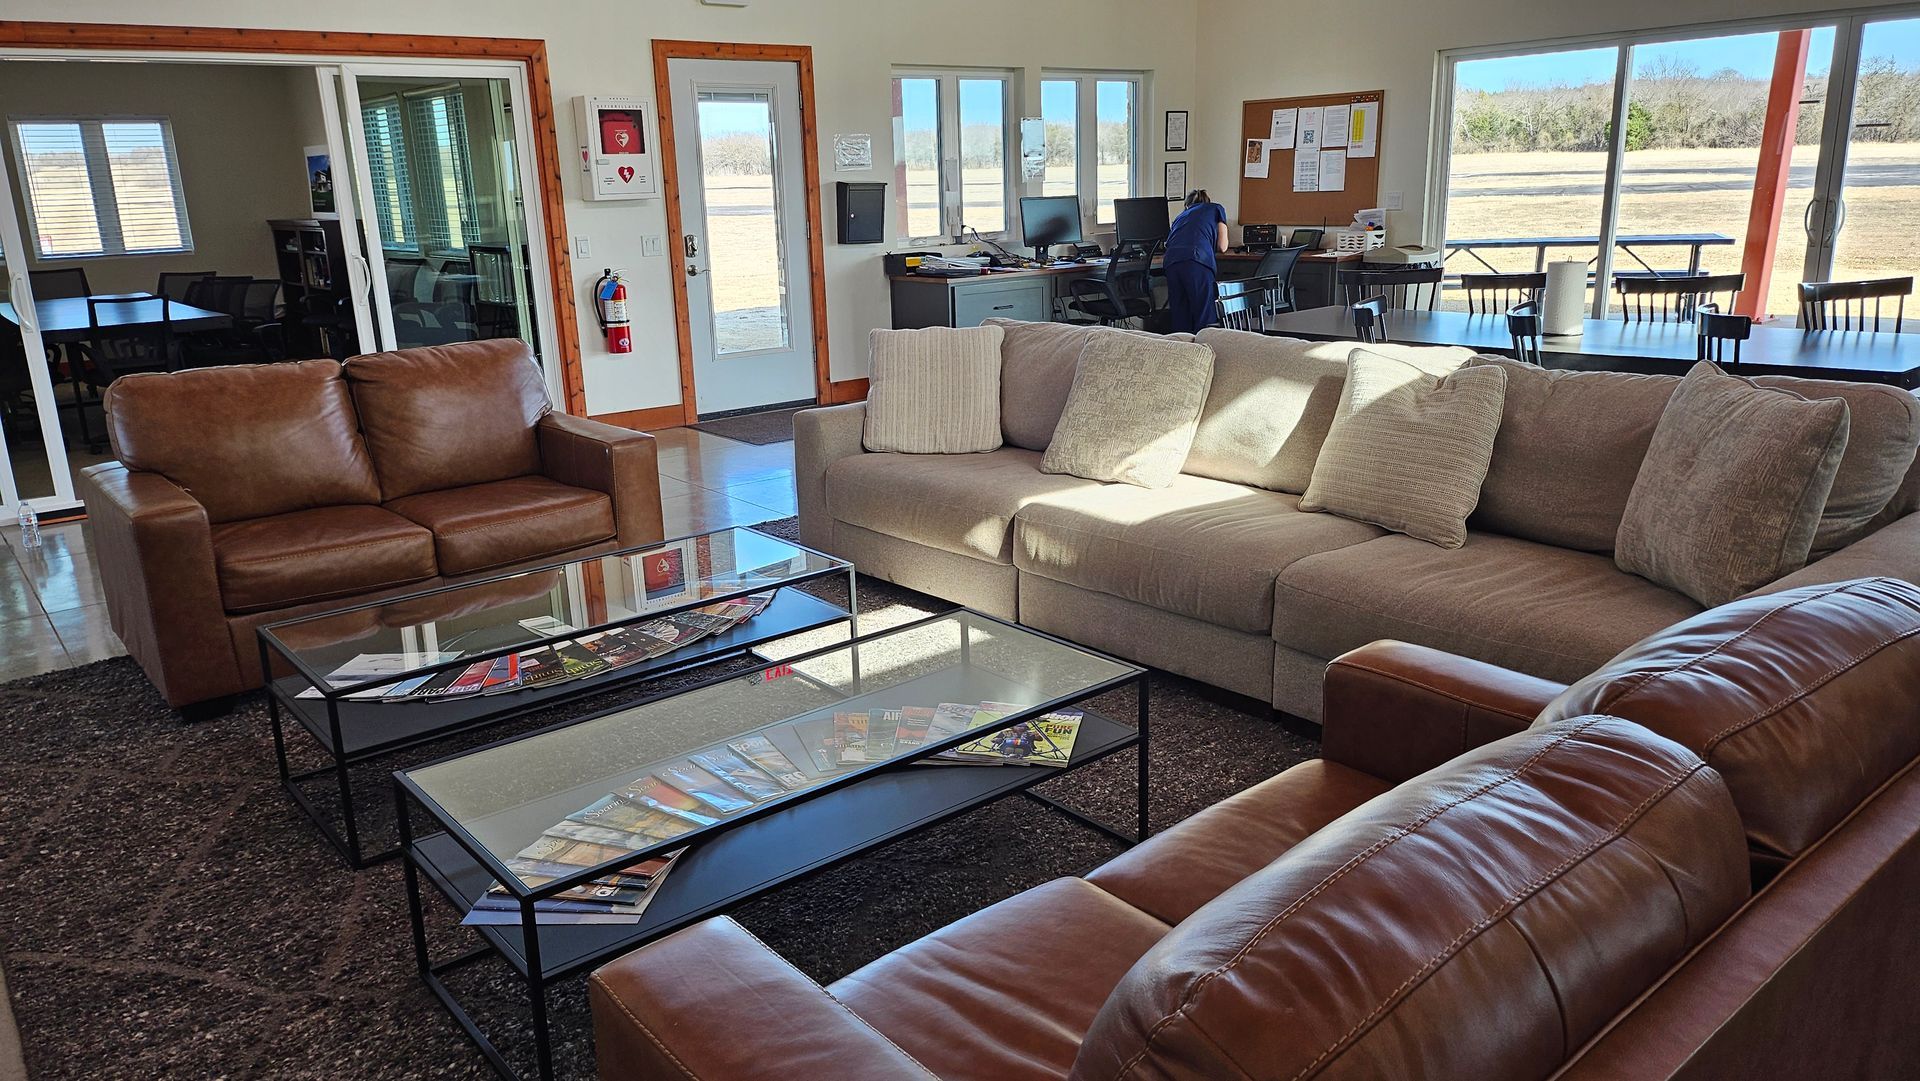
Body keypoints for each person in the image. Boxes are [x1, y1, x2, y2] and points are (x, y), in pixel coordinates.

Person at [1162, 188, 1229, 334]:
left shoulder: (1181, 216)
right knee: (1204, 314)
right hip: (1196, 260)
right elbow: (1223, 246)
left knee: (1180, 314)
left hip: (1171, 262)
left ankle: (1181, 353)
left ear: (1187, 205)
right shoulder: (1216, 209)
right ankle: (1204, 352)